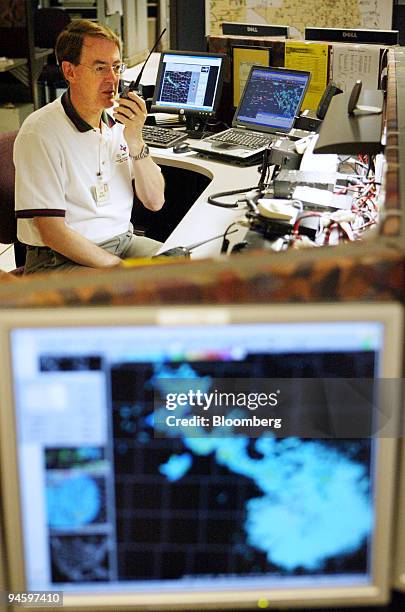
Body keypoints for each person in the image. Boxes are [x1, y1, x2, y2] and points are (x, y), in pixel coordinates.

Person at [14, 19, 165, 274]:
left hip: (122, 243)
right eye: (100, 68)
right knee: (134, 295)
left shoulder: (120, 120)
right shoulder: (40, 132)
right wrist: (118, 268)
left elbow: (155, 201)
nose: (113, 79)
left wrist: (136, 140)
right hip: (57, 260)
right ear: (70, 71)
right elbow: (52, 233)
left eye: (117, 67)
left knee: (192, 271)